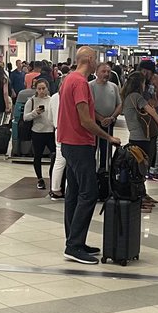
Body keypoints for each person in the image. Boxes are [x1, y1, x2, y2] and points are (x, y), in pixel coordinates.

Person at [59, 47, 120, 264]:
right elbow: (85, 120)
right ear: (90, 60)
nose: (98, 64)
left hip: (68, 142)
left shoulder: (68, 79)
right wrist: (108, 137)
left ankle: (74, 240)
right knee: (89, 193)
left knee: (74, 193)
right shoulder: (81, 83)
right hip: (79, 144)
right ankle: (74, 246)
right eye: (97, 60)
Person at [122, 71, 158, 208]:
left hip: (136, 137)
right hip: (141, 138)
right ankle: (138, 197)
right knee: (140, 169)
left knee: (139, 168)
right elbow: (151, 111)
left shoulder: (128, 96)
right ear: (140, 83)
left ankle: (142, 194)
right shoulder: (136, 97)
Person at [23, 78, 56, 190]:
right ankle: (40, 179)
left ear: (47, 88)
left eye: (43, 88)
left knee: (55, 155)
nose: (41, 91)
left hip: (50, 132)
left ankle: (54, 178)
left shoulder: (52, 100)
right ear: (36, 89)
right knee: (38, 156)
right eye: (39, 89)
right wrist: (35, 113)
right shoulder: (31, 101)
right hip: (37, 132)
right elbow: (25, 117)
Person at [90, 62, 121, 174]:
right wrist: (100, 118)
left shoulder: (114, 87)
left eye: (108, 72)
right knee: (92, 149)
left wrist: (111, 118)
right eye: (103, 71)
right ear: (97, 72)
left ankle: (104, 171)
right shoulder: (90, 86)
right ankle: (92, 172)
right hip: (94, 123)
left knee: (106, 149)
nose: (106, 74)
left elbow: (119, 105)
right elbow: (88, 106)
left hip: (109, 124)